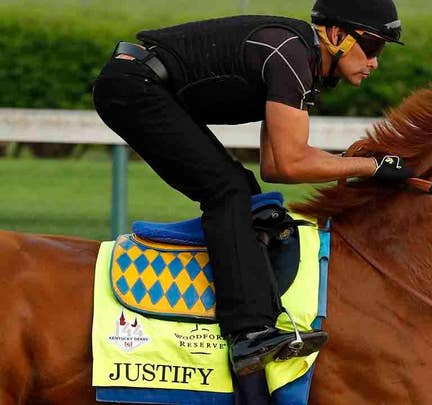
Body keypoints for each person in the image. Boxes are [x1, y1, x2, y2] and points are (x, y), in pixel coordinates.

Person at [92, 0, 414, 377]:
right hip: (133, 86)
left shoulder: (301, 60)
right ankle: (247, 333)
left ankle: (245, 316)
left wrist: (367, 165)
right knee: (227, 192)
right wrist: (372, 167)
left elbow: (275, 167)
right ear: (337, 35)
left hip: (140, 84)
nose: (375, 61)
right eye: (372, 46)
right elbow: (292, 161)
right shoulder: (291, 56)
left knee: (244, 189)